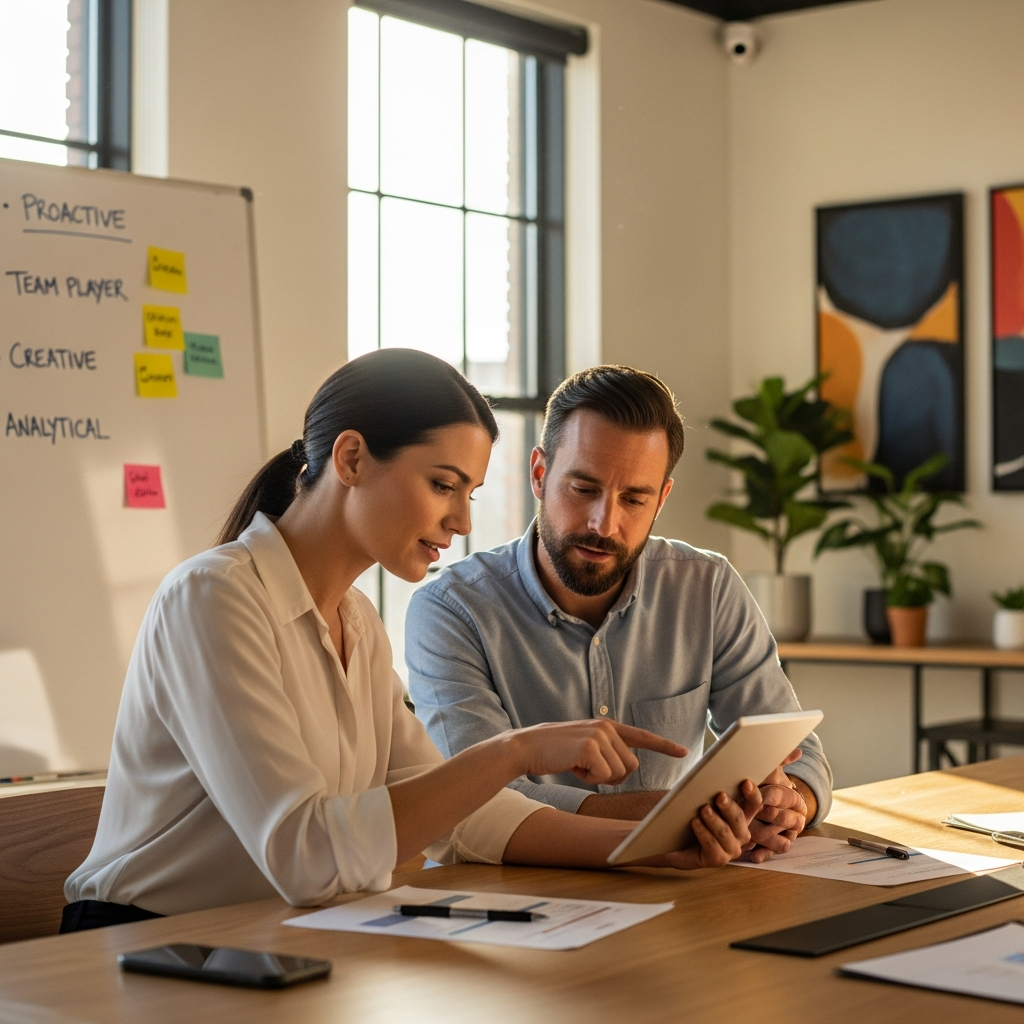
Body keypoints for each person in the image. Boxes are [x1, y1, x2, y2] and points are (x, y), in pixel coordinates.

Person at [63, 350, 763, 932]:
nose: (460, 521)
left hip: (276, 939)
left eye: (470, 494)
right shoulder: (212, 599)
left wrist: (661, 845)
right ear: (352, 459)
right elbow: (308, 856)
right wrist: (518, 749)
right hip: (141, 946)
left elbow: (467, 820)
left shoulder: (356, 622)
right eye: (442, 485)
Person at [406, 365, 832, 862]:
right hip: (518, 899)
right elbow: (477, 802)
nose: (602, 523)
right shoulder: (452, 611)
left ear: (662, 499)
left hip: (686, 890)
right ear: (540, 474)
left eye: (634, 498)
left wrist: (786, 806)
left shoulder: (707, 589)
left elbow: (802, 759)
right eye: (583, 489)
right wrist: (685, 812)